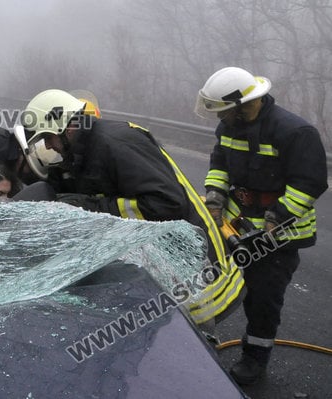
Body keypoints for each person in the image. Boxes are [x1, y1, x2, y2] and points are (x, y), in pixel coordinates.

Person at [18, 89, 245, 330]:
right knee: (169, 336)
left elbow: (167, 204)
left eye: (49, 138)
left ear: (65, 127)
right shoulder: (84, 150)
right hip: (164, 259)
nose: (51, 147)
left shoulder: (116, 142)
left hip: (195, 265)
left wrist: (87, 207)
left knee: (190, 344)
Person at [195, 67, 328, 385]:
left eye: (225, 112)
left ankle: (255, 359)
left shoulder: (295, 132)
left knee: (262, 300)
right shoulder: (228, 128)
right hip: (234, 226)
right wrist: (214, 198)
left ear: (243, 105)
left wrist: (275, 218)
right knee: (209, 281)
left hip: (278, 236)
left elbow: (309, 183)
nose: (220, 119)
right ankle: (199, 340)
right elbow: (219, 164)